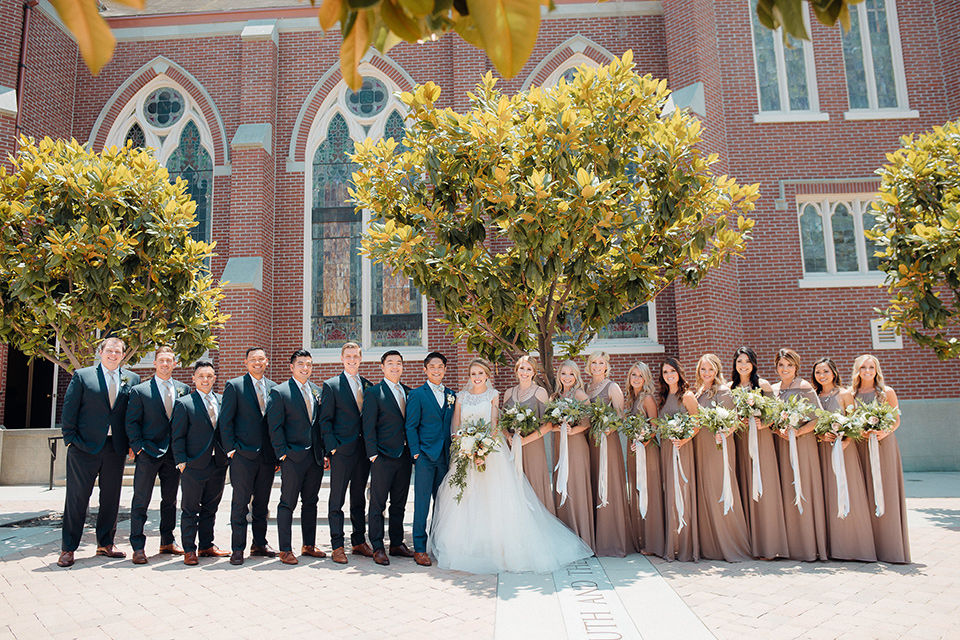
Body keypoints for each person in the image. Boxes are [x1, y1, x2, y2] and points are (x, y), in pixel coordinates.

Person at [430, 359, 593, 573]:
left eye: (480, 373)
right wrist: (467, 447)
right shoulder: (462, 397)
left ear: (487, 375)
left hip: (491, 453)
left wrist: (483, 448)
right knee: (466, 500)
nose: (476, 377)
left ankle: (499, 545)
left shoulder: (495, 395)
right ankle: (469, 545)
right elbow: (456, 425)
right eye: (473, 374)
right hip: (466, 453)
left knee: (496, 499)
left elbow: (495, 425)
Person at [58, 336, 141, 568]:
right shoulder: (83, 376)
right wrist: (70, 440)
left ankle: (105, 543)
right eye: (109, 351)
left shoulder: (132, 379)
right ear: (101, 352)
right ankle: (68, 548)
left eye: (118, 352)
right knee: (77, 498)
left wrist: (132, 443)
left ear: (123, 355)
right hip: (84, 447)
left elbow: (132, 415)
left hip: (115, 448)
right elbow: (69, 409)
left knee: (111, 498)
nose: (113, 355)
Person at [125, 346, 190, 564]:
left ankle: (167, 541)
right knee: (141, 500)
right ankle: (138, 546)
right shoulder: (140, 390)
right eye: (161, 360)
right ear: (155, 363)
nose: (165, 364)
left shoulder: (184, 389)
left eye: (169, 361)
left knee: (170, 500)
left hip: (173, 454)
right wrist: (139, 447)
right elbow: (131, 422)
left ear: (175, 363)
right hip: (149, 453)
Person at [219, 347, 279, 565]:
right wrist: (232, 450)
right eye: (253, 359)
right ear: (246, 362)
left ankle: (259, 543)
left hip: (267, 457)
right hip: (242, 455)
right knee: (240, 503)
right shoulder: (234, 386)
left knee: (262, 503)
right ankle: (237, 548)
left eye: (261, 359)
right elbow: (225, 421)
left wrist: (276, 454)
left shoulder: (274, 388)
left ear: (267, 361)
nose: (257, 362)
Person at [812, 357, 876, 562]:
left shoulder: (845, 394)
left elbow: (855, 420)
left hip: (844, 449)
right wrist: (821, 435)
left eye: (825, 372)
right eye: (818, 372)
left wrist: (846, 439)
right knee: (826, 495)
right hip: (821, 450)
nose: (822, 376)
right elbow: (812, 423)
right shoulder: (814, 396)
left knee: (849, 492)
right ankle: (831, 547)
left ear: (834, 373)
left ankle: (854, 546)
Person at [267, 349, 326, 565]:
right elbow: (275, 427)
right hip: (292, 458)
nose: (305, 368)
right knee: (287, 503)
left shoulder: (317, 391)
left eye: (309, 364)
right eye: (301, 364)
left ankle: (308, 545)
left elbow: (320, 425)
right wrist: (282, 454)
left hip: (315, 458)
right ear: (292, 367)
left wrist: (324, 452)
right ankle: (285, 549)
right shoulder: (280, 392)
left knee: (310, 502)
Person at [851, 354, 910, 564]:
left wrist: (883, 433)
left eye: (871, 367)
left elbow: (896, 420)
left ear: (876, 370)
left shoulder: (886, 393)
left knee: (886, 490)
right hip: (860, 446)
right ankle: (869, 546)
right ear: (857, 370)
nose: (867, 371)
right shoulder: (852, 394)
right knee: (864, 492)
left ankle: (891, 548)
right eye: (863, 367)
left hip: (884, 445)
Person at [731, 346, 789, 560]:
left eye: (747, 361)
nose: (743, 365)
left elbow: (775, 413)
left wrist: (762, 423)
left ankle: (770, 545)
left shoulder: (762, 385)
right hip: (740, 441)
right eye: (739, 361)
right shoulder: (731, 387)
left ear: (753, 363)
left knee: (765, 488)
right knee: (745, 486)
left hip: (762, 441)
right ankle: (751, 544)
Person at [693, 354, 752, 562]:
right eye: (703, 369)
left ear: (717, 370)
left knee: (720, 489)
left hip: (717, 446)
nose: (706, 373)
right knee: (706, 491)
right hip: (699, 446)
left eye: (710, 369)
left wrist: (726, 432)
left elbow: (733, 418)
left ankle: (731, 544)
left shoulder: (723, 390)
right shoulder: (698, 391)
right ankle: (710, 546)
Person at [319, 342, 374, 564]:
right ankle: (337, 545)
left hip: (363, 452)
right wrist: (332, 448)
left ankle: (359, 541)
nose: (352, 359)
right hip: (342, 452)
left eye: (356, 356)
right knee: (337, 500)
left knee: (359, 498)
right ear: (342, 359)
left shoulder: (368, 386)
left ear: (361, 359)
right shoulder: (331, 385)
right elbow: (325, 421)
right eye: (348, 356)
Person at [172, 360, 230, 565]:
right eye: (201, 376)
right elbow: (177, 436)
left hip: (218, 463)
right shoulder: (184, 403)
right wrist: (181, 462)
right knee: (190, 509)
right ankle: (189, 549)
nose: (205, 379)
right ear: (193, 379)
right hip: (193, 465)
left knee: (210, 508)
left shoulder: (223, 401)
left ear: (214, 378)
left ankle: (207, 545)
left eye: (209, 376)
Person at [772, 348, 827, 561]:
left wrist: (799, 431)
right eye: (781, 365)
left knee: (803, 487)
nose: (785, 369)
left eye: (789, 365)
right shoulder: (773, 389)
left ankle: (808, 546)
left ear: (796, 367)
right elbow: (771, 420)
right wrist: (779, 430)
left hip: (803, 444)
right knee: (785, 490)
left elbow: (819, 417)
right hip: (781, 445)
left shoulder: (804, 387)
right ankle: (789, 545)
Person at [362, 350, 415, 566]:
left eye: (399, 363)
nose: (395, 367)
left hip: (404, 456)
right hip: (382, 456)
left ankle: (396, 543)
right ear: (382, 367)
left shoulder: (409, 392)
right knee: (377, 504)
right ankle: (377, 546)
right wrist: (373, 454)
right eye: (390, 363)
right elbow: (368, 426)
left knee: (399, 504)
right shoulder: (374, 393)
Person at [405, 351, 456, 567]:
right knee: (422, 503)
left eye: (440, 366)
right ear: (425, 370)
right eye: (432, 366)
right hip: (425, 457)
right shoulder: (417, 395)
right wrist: (416, 453)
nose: (436, 370)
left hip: (445, 457)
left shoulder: (452, 394)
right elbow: (410, 425)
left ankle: (438, 544)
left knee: (443, 504)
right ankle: (419, 548)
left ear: (445, 369)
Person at [584, 351, 635, 557]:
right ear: (589, 365)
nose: (597, 366)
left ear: (606, 366)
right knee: (594, 483)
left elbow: (620, 416)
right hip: (589, 442)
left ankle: (613, 540)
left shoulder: (612, 387)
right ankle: (595, 539)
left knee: (609, 483)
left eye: (601, 363)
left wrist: (609, 427)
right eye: (594, 362)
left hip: (607, 442)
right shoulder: (585, 388)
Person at [657, 357, 700, 562]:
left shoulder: (687, 396)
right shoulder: (663, 397)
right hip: (667, 448)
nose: (669, 375)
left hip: (681, 448)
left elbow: (697, 422)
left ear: (679, 372)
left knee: (682, 491)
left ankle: (686, 546)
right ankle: (671, 545)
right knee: (670, 493)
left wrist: (684, 439)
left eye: (672, 371)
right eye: (665, 372)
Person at [501, 355, 554, 515]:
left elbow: (548, 425)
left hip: (533, 446)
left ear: (534, 372)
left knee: (535, 485)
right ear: (517, 371)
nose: (525, 372)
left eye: (529, 369)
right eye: (522, 368)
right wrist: (508, 436)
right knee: (515, 486)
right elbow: (502, 423)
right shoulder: (508, 393)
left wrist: (525, 441)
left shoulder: (540, 392)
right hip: (512, 448)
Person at [550, 360, 595, 550]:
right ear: (559, 375)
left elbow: (587, 423)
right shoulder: (554, 397)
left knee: (576, 486)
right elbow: (549, 423)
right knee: (562, 484)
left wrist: (571, 430)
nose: (567, 377)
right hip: (559, 445)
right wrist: (558, 427)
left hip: (576, 444)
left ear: (576, 376)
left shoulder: (580, 394)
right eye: (563, 373)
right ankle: (565, 538)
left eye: (571, 374)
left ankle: (582, 538)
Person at [624, 362, 664, 557]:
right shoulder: (631, 399)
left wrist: (643, 443)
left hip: (646, 451)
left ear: (646, 378)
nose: (636, 379)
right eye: (633, 375)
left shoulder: (647, 398)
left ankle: (653, 542)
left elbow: (655, 426)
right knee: (637, 490)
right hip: (633, 449)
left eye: (640, 376)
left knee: (649, 492)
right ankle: (640, 538)